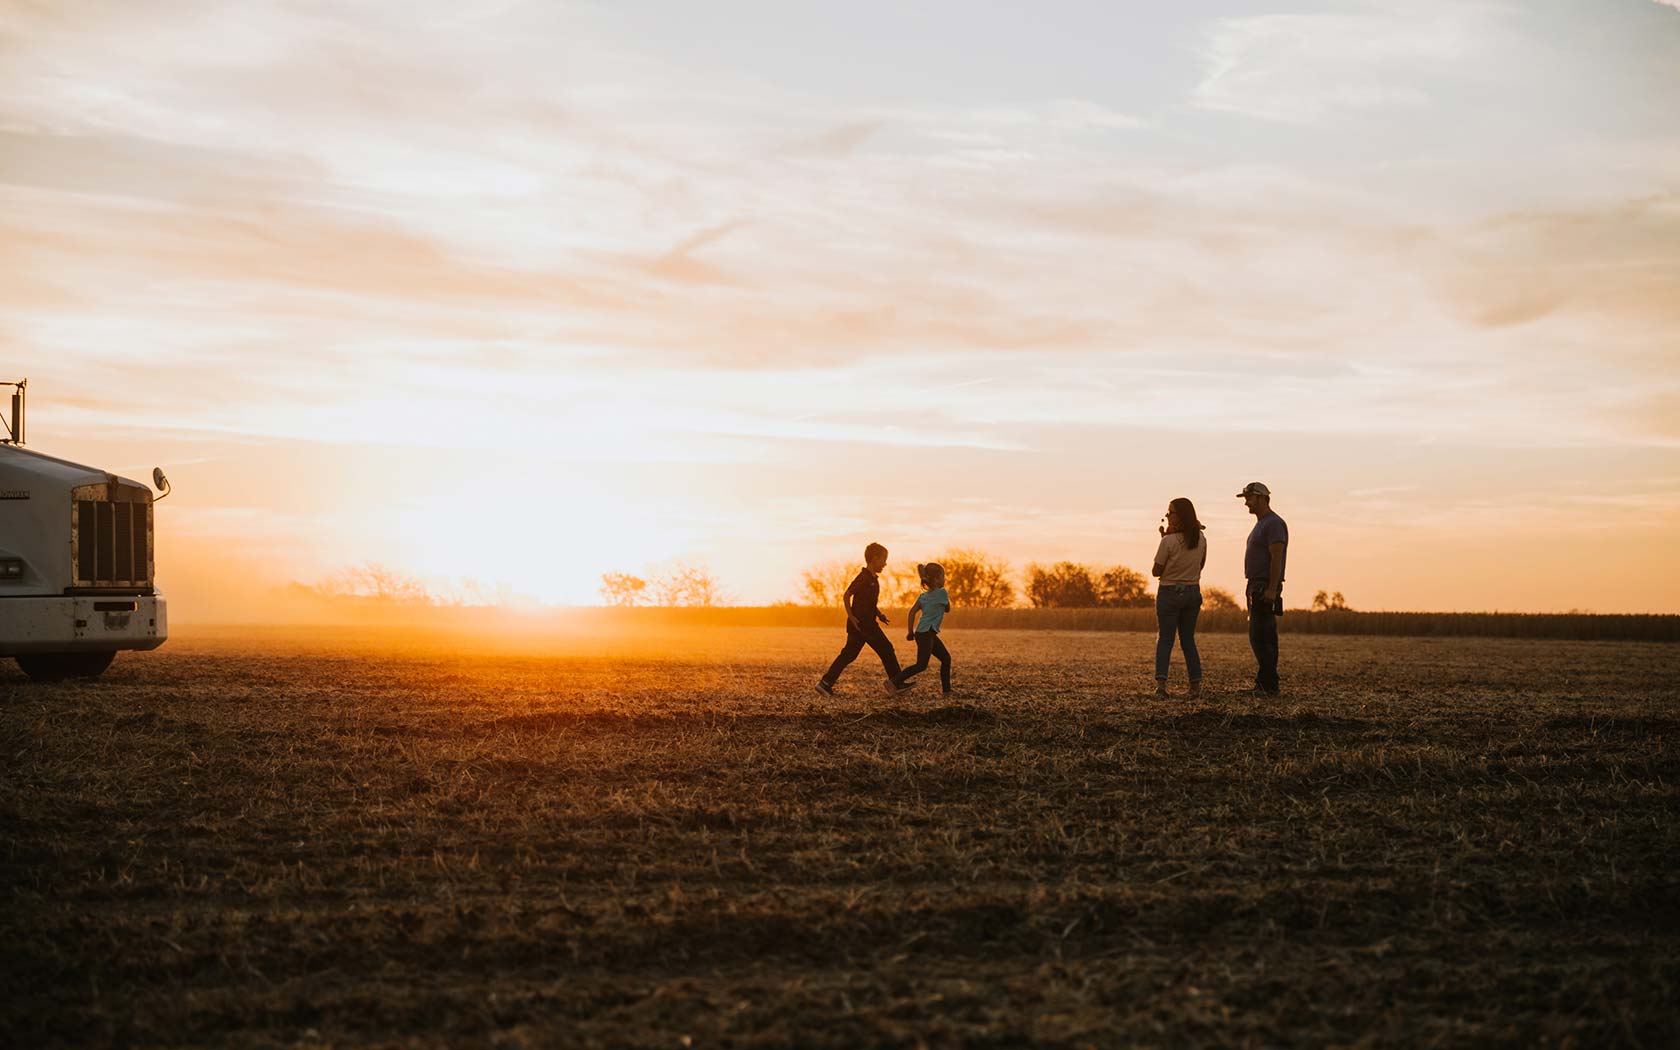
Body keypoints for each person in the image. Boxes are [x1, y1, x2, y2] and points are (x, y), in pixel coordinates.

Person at [815, 542, 910, 696]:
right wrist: (851, 617)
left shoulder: (873, 579)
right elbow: (847, 595)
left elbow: (868, 603)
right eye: (883, 559)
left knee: (849, 654)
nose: (885, 563)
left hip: (862, 625)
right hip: (864, 625)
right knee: (886, 649)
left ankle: (825, 683)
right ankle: (896, 684)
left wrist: (879, 614)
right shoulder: (863, 577)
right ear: (874, 558)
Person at [1151, 498, 1207, 698]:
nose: (1167, 517)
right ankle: (1195, 685)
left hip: (1169, 592)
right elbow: (1200, 565)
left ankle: (1161, 685)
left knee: (1165, 639)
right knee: (1188, 640)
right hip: (1192, 592)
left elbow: (1156, 571)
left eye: (1170, 513)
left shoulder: (1168, 541)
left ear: (1179, 515)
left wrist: (1163, 542)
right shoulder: (1201, 539)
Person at [1238, 481, 1288, 697]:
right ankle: (1266, 682)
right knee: (1259, 635)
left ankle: (1268, 684)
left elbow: (1276, 557)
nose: (1247, 503)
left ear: (1261, 497)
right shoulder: (1262, 524)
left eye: (1249, 498)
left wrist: (1271, 588)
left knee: (1262, 635)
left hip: (1263, 585)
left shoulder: (1273, 524)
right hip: (1255, 584)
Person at [893, 562, 952, 695]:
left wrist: (910, 632)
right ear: (937, 579)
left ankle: (947, 691)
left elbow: (912, 612)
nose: (945, 579)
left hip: (923, 633)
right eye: (943, 576)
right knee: (921, 665)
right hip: (926, 634)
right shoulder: (942, 593)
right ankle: (893, 682)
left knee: (946, 658)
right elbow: (948, 609)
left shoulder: (923, 596)